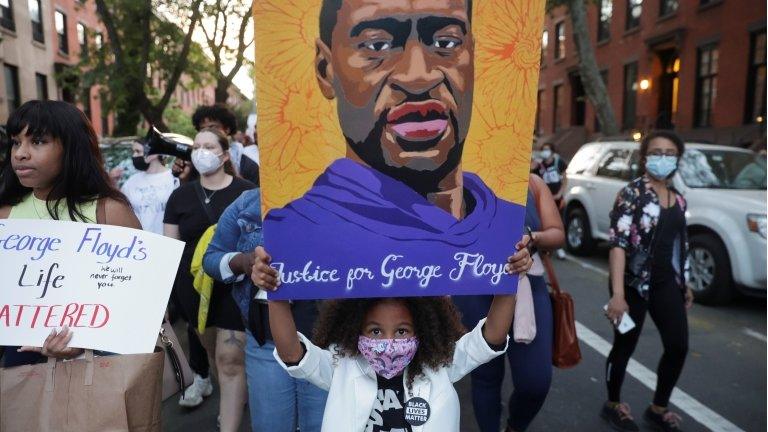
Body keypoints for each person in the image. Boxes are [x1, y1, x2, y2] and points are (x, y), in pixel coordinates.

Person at [263, 0, 526, 299]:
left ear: (472, 57)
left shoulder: (504, 229)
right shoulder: (294, 236)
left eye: (446, 42)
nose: (418, 76)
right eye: (376, 46)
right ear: (326, 69)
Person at [250, 237, 532, 431]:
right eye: (375, 330)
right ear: (354, 330)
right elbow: (291, 353)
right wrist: (275, 292)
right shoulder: (341, 367)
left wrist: (508, 278)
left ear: (422, 330)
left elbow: (491, 336)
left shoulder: (440, 364)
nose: (388, 342)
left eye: (401, 331)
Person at [0, 100, 140, 367]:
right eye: (16, 142)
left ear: (72, 148)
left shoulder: (109, 212)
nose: (20, 154)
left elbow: (141, 303)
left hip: (100, 372)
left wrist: (84, 341)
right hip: (22, 370)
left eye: (37, 141)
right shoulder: (6, 216)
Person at [203, 189, 327, 432]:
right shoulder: (247, 203)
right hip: (266, 342)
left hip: (328, 343)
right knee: (271, 425)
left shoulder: (341, 197)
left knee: (323, 425)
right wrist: (244, 262)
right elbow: (211, 258)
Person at [452, 174, 565, 432]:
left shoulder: (533, 183)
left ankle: (515, 426)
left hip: (527, 288)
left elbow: (557, 233)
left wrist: (532, 237)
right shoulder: (455, 177)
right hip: (474, 288)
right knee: (485, 375)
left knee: (535, 381)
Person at [163, 128, 255, 430]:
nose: (201, 151)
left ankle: (227, 421)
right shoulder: (179, 196)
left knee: (229, 357)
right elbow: (169, 247)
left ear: (225, 154)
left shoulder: (246, 191)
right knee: (215, 354)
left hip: (234, 284)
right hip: (192, 289)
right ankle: (234, 395)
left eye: (209, 146)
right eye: (197, 146)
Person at [603, 130, 694, 432]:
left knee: (678, 345)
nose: (663, 158)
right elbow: (618, 245)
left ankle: (658, 408)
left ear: (677, 159)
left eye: (670, 153)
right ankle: (613, 404)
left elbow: (680, 244)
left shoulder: (678, 199)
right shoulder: (632, 193)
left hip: (666, 283)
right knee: (624, 346)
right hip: (631, 285)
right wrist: (618, 295)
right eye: (657, 152)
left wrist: (685, 282)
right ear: (645, 157)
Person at [190, 104, 260, 186]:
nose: (208, 132)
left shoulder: (247, 163)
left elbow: (254, 194)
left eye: (213, 127)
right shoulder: (194, 161)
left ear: (227, 129)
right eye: (203, 129)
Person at [120, 140, 179, 234]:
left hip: (167, 243)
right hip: (140, 244)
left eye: (138, 151)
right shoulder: (130, 182)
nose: (134, 156)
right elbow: (123, 213)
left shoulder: (174, 179)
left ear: (153, 153)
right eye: (133, 152)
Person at [532, 142, 568, 259]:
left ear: (552, 150)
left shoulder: (558, 162)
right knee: (544, 224)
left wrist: (560, 193)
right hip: (544, 199)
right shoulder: (540, 165)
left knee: (558, 223)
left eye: (547, 149)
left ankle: (559, 249)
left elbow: (565, 178)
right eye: (543, 149)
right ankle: (545, 250)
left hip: (557, 198)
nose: (545, 152)